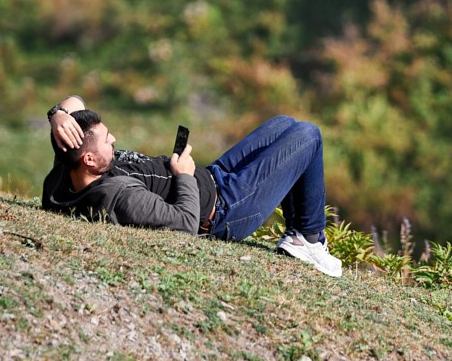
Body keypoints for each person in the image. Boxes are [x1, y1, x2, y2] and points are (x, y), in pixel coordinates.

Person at [40, 95, 342, 278]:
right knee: (307, 135)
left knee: (283, 123)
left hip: (213, 176)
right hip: (224, 209)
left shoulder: (67, 170)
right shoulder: (118, 196)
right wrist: (183, 174)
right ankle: (308, 239)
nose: (115, 140)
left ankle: (302, 235)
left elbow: (74, 101)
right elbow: (185, 225)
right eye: (108, 141)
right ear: (91, 159)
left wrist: (58, 116)